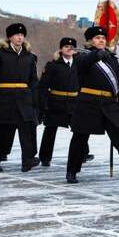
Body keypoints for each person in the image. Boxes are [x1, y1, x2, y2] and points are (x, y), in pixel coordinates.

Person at [65, 26, 119, 183]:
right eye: (97, 38)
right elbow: (82, 65)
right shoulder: (81, 56)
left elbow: (118, 83)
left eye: (103, 38)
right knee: (80, 138)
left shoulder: (111, 58)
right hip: (88, 102)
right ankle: (72, 170)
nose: (101, 40)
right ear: (90, 41)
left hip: (108, 103)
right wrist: (95, 55)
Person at [0, 23, 40, 172]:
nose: (20, 37)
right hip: (4, 99)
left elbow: (33, 81)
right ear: (10, 37)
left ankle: (27, 160)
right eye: (17, 35)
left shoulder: (29, 56)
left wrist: (36, 101)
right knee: (0, 131)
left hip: (24, 99)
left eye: (22, 35)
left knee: (27, 130)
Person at [38, 37, 80, 166]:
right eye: (66, 46)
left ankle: (82, 153)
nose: (69, 48)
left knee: (80, 129)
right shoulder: (53, 65)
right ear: (61, 49)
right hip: (56, 101)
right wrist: (43, 104)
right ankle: (45, 157)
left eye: (72, 46)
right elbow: (43, 86)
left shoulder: (79, 64)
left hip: (75, 101)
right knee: (50, 130)